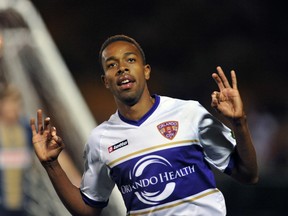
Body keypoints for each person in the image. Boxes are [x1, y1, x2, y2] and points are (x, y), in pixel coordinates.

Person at [30, 35, 258, 216]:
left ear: (146, 71)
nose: (122, 68)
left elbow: (248, 174)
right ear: (106, 81)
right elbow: (89, 209)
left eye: (130, 60)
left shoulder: (189, 113)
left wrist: (239, 123)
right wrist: (52, 165)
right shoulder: (101, 139)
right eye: (112, 65)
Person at [0, 84, 33, 216]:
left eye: (17, 103)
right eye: (10, 102)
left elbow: (53, 153)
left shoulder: (26, 129)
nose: (14, 108)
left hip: (22, 202)